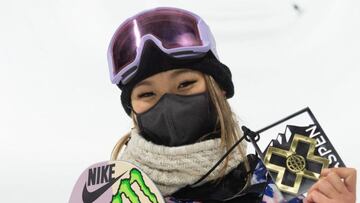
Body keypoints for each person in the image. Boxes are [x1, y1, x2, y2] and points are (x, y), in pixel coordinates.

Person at [106, 7, 356, 203]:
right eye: (147, 94)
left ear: (219, 89)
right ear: (133, 109)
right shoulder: (114, 193)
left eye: (185, 84)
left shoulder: (278, 186)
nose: (169, 104)